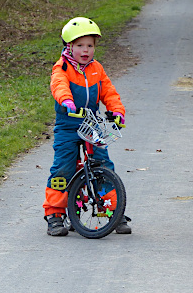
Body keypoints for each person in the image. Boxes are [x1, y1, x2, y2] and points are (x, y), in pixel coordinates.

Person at [42, 16, 131, 236]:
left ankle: (111, 210)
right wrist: (67, 102)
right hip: (68, 125)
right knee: (63, 167)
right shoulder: (62, 68)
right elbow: (59, 86)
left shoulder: (96, 69)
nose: (85, 50)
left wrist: (117, 111)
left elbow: (108, 91)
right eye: (80, 46)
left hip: (91, 123)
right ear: (68, 47)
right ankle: (54, 213)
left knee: (103, 164)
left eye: (90, 46)